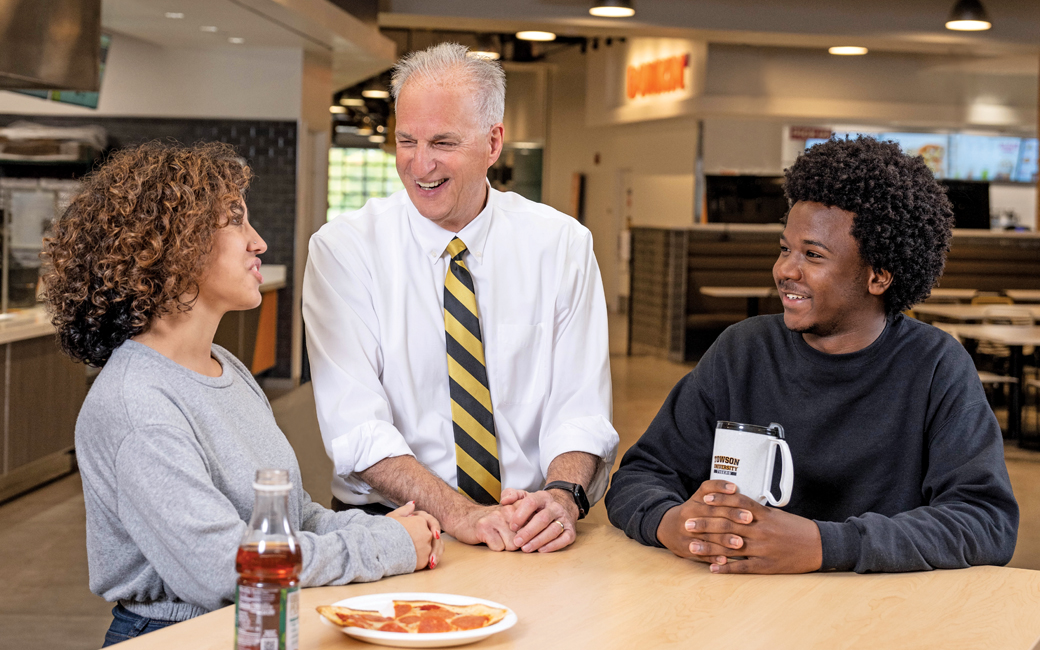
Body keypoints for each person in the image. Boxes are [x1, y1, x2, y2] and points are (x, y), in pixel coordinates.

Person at [41, 141, 443, 646]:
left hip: (256, 621)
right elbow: (225, 568)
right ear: (171, 243)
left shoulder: (224, 368)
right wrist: (385, 547)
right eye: (235, 220)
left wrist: (380, 530)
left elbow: (293, 515)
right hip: (176, 634)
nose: (258, 243)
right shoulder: (135, 404)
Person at [605, 136, 1019, 574]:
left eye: (813, 255)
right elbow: (640, 476)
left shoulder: (936, 366)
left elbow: (985, 522)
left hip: (880, 617)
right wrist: (672, 523)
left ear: (878, 276)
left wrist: (826, 545)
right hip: (746, 615)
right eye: (785, 248)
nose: (785, 270)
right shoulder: (742, 352)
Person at [303, 42, 618, 554]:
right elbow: (357, 429)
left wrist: (562, 496)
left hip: (528, 527)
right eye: (406, 140)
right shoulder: (344, 250)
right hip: (394, 529)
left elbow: (579, 408)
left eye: (443, 142)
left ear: (493, 143)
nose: (419, 164)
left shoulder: (561, 244)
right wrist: (462, 515)